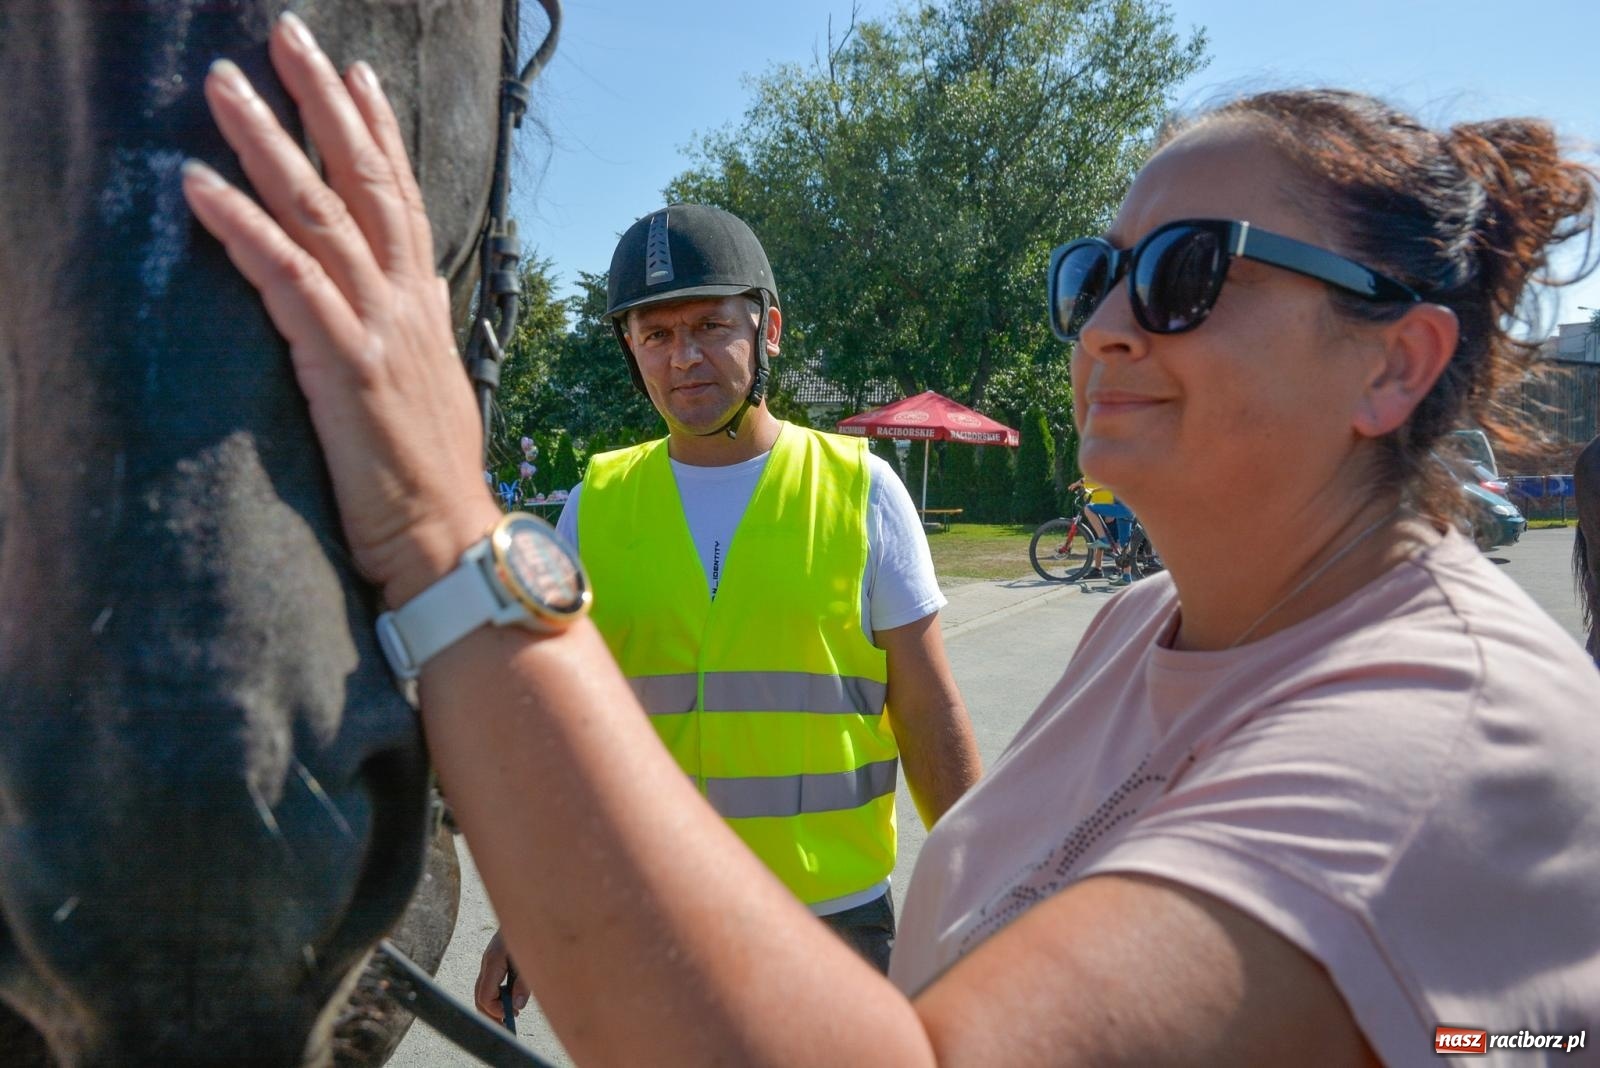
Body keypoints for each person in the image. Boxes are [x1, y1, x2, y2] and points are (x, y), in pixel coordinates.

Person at [183, 19, 1600, 1065]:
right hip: (676, 939)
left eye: (1187, 274)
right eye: (1094, 274)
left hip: (827, 929)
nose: (1106, 324)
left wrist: (438, 524)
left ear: (1394, 363)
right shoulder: (1144, 626)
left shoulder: (1446, 743)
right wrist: (556, 917)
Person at [469, 202, 982, 993]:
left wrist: (986, 890)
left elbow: (927, 712)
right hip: (645, 920)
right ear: (631, 348)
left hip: (830, 927)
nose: (684, 358)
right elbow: (564, 733)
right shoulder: (593, 504)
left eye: (710, 326)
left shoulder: (862, 490)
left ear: (767, 329)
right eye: (656, 335)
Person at [1065, 476, 1135, 584]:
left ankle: (1104, 539)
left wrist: (1079, 483)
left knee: (1089, 508)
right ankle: (1127, 577)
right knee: (1124, 544)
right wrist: (1093, 489)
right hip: (1129, 507)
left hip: (1123, 508)